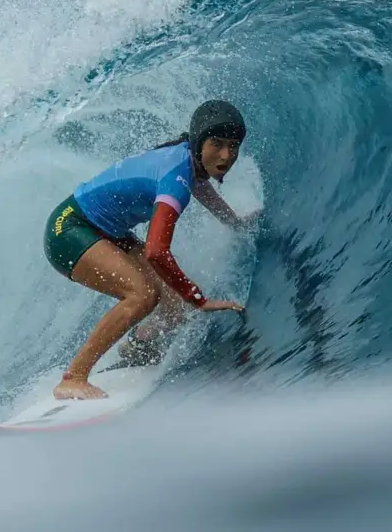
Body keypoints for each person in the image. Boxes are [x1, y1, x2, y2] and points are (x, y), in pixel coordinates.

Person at [43, 99, 259, 400]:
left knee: (174, 305)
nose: (226, 155)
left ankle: (138, 346)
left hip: (107, 231)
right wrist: (198, 298)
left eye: (233, 146)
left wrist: (234, 223)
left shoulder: (187, 160)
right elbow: (157, 251)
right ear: (199, 142)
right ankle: (74, 377)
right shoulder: (176, 178)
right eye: (217, 144)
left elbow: (201, 188)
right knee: (144, 294)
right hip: (69, 229)